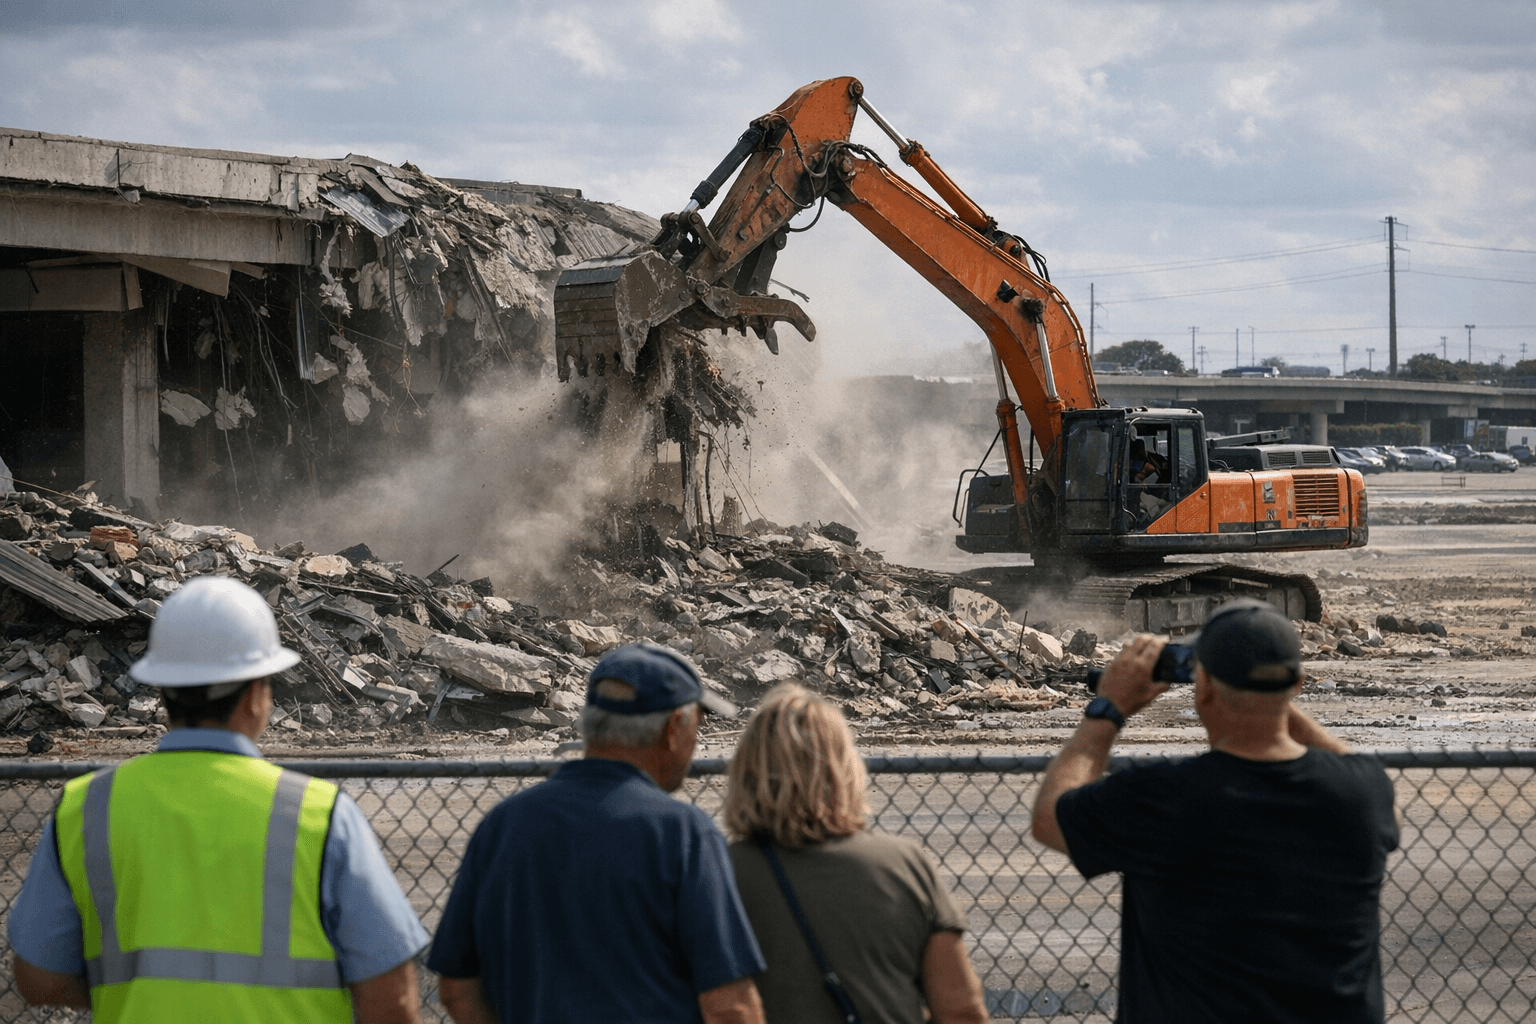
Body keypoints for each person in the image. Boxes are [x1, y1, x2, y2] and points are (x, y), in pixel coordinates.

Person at [7, 576, 429, 1023]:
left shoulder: (85, 807)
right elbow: (393, 1000)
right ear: (253, 696)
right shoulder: (319, 814)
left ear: (162, 690)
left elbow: (39, 979)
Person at [1031, 599, 1400, 1023]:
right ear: (1298, 685)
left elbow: (1050, 817)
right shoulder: (1362, 793)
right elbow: (1380, 803)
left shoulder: (1167, 796)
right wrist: (1271, 699)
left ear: (1203, 689)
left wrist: (1108, 708)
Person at [429, 643, 766, 1024]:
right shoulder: (683, 835)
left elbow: (456, 989)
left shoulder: (503, 826)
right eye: (697, 725)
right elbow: (729, 1007)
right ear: (673, 729)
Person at [725, 683, 988, 1024]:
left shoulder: (720, 873)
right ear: (845, 767)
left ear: (746, 769)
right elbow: (962, 1011)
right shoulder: (905, 865)